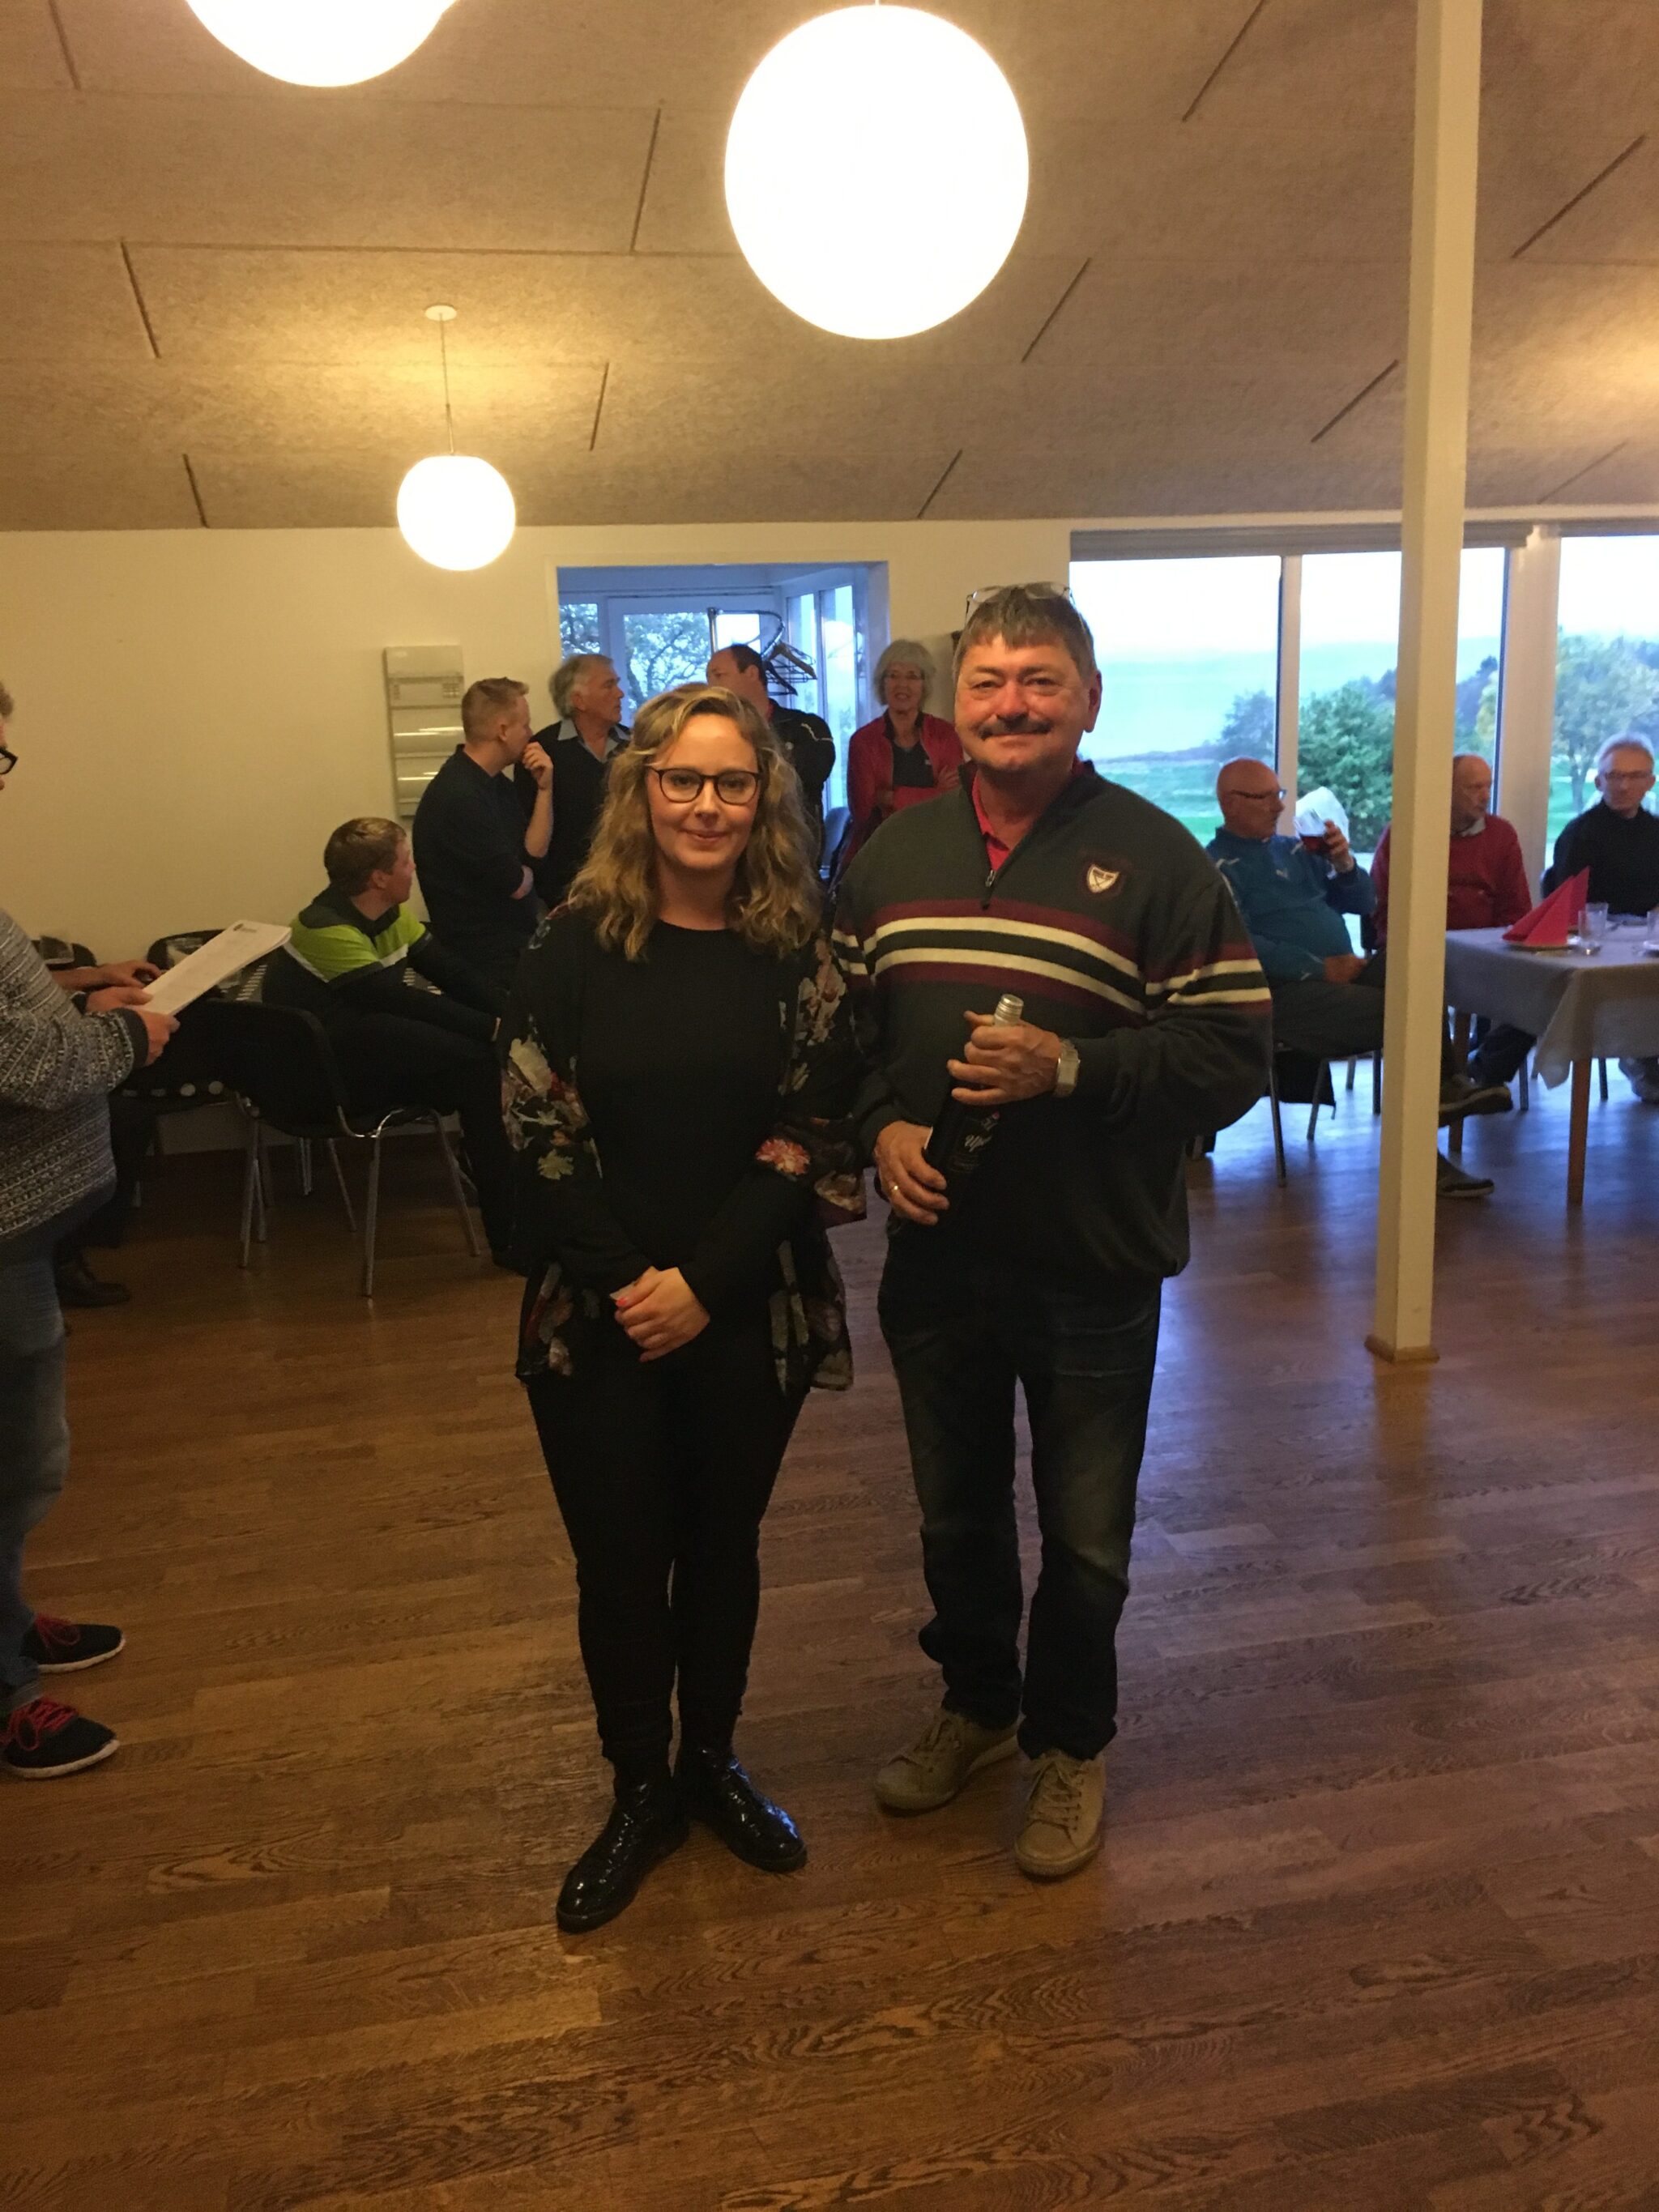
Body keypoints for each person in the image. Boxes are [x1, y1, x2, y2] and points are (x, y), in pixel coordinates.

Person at [836, 586, 1271, 1882]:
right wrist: (878, 1126)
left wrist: (1073, 1069)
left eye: (1040, 679)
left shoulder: (1160, 858)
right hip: (936, 1257)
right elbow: (839, 1038)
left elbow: (1234, 1053)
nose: (1011, 702)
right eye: (989, 680)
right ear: (953, 701)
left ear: (1088, 701)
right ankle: (979, 1705)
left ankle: (1071, 1741)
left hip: (1092, 1261)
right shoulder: (890, 857)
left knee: (1085, 1541)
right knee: (955, 1518)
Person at [502, 681, 864, 1933]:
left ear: (764, 798)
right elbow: (535, 1125)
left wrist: (702, 1285)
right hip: (596, 1313)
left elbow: (812, 1124)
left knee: (721, 1546)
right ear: (641, 791)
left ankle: (710, 1760)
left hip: (747, 1306)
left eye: (732, 781)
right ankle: (640, 1790)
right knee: (619, 1559)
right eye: (682, 780)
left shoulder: (796, 946)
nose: (707, 804)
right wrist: (631, 1283)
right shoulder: (570, 944)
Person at [0, 684, 177, 1777]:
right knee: (11, 1462)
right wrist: (125, 1040)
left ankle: (10, 1622)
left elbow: (14, 1014)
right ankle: (8, 1696)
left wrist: (84, 993)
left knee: (24, 1461)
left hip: (22, 1230)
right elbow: (20, 1062)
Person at [1209, 757, 1511, 1197]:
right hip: (1284, 995)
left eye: (1279, 795)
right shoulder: (1217, 867)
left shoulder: (1296, 850)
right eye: (1265, 797)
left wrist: (1345, 863)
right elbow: (1240, 945)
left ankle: (1444, 1093)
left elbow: (1364, 902)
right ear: (1229, 803)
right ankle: (1433, 1133)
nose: (1279, 807)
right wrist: (1319, 968)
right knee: (1399, 1011)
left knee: (1413, 966)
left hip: (1341, 980)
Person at [262, 817, 518, 1262]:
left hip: (368, 1051)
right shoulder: (323, 928)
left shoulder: (390, 915)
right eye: (405, 861)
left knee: (477, 1063)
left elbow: (452, 974)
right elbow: (399, 1001)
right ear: (379, 878)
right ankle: (509, 1231)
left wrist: (515, 1014)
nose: (413, 868)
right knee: (478, 1064)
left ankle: (507, 1212)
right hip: (325, 1082)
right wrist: (494, 1029)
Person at [1373, 755, 1535, 1097]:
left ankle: (1481, 1071)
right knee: (1419, 978)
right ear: (1445, 790)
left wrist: (1495, 946)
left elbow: (1517, 908)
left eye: (1488, 786)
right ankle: (1444, 1081)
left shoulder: (1501, 834)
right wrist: (1402, 944)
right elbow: (1382, 904)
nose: (1485, 795)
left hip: (1485, 948)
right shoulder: (1406, 832)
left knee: (1541, 989)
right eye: (1474, 787)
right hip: (1422, 949)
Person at [412, 677, 553, 996]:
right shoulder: (460, 796)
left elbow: (533, 856)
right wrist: (524, 872)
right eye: (525, 725)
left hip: (512, 945)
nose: (530, 734)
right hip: (483, 959)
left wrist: (545, 790)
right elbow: (517, 885)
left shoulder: (495, 784)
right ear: (503, 730)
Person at [1542, 737, 1659, 1102]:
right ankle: (1642, 1054)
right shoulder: (1580, 834)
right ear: (1599, 781)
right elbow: (1569, 903)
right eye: (1614, 776)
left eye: (1634, 776)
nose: (1623, 786)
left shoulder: (1656, 831)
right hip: (1599, 942)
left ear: (1650, 782)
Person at [706, 643, 836, 866]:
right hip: (732, 859)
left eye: (719, 675)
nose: (711, 686)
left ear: (751, 673)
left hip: (793, 859)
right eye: (708, 678)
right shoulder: (710, 734)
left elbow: (811, 774)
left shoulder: (805, 727)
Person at [517, 654, 629, 909]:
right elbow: (527, 834)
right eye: (609, 685)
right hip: (563, 897)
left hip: (628, 889)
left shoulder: (636, 747)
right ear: (579, 700)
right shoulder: (541, 751)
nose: (620, 694)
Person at [844, 640, 963, 860]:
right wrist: (936, 792)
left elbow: (955, 802)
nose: (902, 685)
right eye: (893, 676)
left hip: (938, 849)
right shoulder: (863, 741)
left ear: (924, 685)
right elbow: (863, 811)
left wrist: (893, 798)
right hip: (880, 852)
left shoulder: (945, 735)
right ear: (882, 683)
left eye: (912, 676)